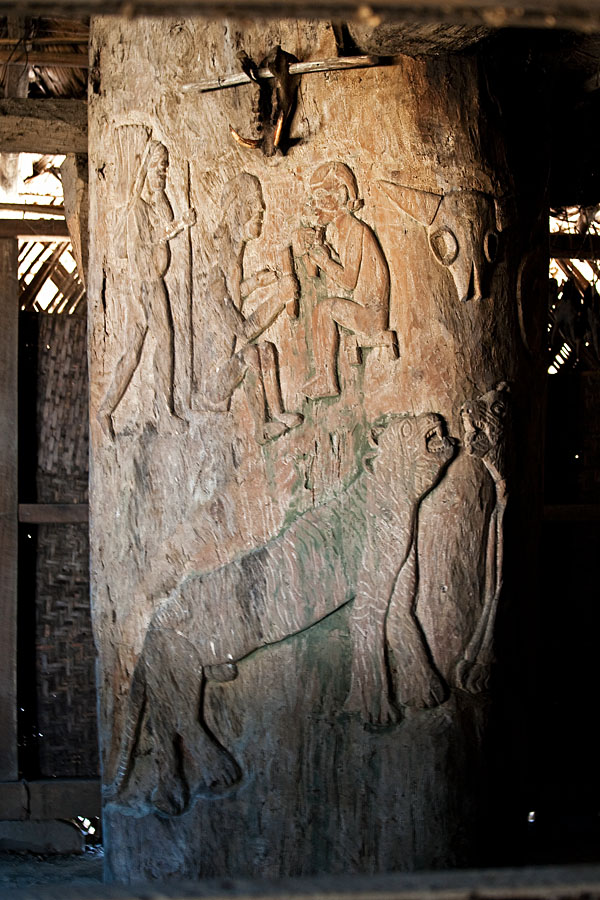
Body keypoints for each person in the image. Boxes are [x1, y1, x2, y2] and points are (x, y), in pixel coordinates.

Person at [98, 140, 195, 437]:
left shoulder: (155, 201)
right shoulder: (136, 209)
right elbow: (149, 239)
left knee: (156, 344)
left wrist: (165, 202)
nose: (162, 174)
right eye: (157, 168)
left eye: (165, 169)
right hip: (143, 285)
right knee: (137, 349)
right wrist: (179, 225)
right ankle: (110, 410)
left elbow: (162, 221)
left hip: (155, 283)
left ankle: (160, 409)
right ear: (146, 169)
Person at [201, 172, 302, 443]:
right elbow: (243, 330)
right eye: (252, 203)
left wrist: (255, 283)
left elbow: (232, 296)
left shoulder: (231, 259)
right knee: (252, 354)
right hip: (213, 383)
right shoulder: (215, 270)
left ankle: (277, 414)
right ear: (236, 208)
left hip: (227, 365)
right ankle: (262, 428)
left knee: (266, 350)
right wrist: (279, 298)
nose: (261, 209)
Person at [297, 162, 391, 399]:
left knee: (324, 310)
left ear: (338, 196)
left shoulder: (355, 230)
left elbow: (349, 281)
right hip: (362, 307)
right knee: (322, 310)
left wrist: (325, 261)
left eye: (319, 197)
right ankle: (323, 376)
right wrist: (316, 252)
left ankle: (328, 380)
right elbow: (316, 274)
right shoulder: (339, 230)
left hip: (372, 314)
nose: (314, 205)